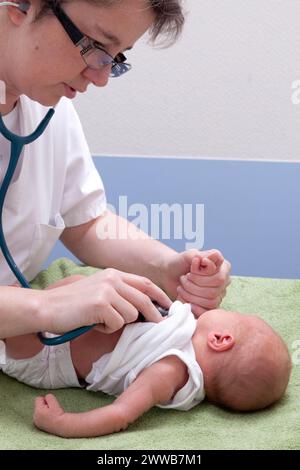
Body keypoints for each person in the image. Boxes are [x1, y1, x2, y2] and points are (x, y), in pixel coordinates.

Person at [0, 1, 231, 353]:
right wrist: (46, 307)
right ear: (22, 7)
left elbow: (86, 224)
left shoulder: (48, 109)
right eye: (95, 46)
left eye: (116, 58)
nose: (101, 78)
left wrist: (166, 267)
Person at [1, 257, 291, 438]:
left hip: (46, 354)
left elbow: (120, 415)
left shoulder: (171, 369)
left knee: (13, 302)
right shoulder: (187, 331)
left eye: (238, 317)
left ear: (220, 339)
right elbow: (181, 300)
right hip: (68, 326)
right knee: (75, 283)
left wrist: (62, 423)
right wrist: (201, 270)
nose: (231, 310)